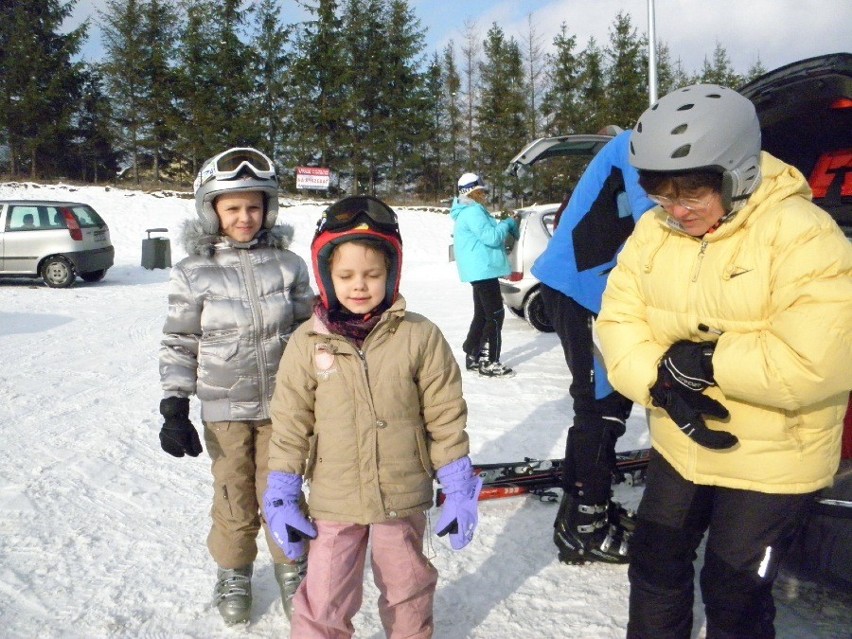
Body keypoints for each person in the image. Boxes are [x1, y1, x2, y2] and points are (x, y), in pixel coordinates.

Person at [596, 84, 852, 638]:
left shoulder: (804, 236)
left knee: (733, 591)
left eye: (691, 193)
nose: (676, 209)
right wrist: (660, 383)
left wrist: (708, 361)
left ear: (735, 173)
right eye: (661, 192)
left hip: (773, 455)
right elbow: (617, 320)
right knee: (655, 563)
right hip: (680, 438)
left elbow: (819, 359)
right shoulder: (653, 232)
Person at [262, 195, 480, 638]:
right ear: (325, 276)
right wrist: (283, 488)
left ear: (392, 273)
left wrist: (457, 481)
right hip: (334, 499)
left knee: (407, 590)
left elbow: (444, 414)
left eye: (372, 274)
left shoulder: (419, 336)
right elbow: (290, 423)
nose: (358, 285)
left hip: (400, 495)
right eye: (345, 275)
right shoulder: (308, 343)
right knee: (323, 599)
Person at [157, 147, 314, 625]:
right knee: (232, 495)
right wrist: (174, 403)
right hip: (224, 411)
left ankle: (293, 570)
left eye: (253, 206)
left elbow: (311, 332)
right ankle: (234, 571)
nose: (244, 217)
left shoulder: (288, 265)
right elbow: (180, 339)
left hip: (284, 409)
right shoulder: (193, 271)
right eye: (232, 207)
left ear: (268, 208)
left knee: (283, 493)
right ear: (212, 211)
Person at [530, 130, 655, 565]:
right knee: (601, 405)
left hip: (589, 288)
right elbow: (654, 223)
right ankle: (585, 523)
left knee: (606, 402)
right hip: (581, 288)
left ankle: (581, 509)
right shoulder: (639, 144)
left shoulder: (635, 145)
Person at [450, 172, 519, 377]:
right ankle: (490, 362)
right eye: (482, 191)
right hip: (484, 269)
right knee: (495, 315)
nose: (485, 195)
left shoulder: (468, 211)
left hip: (480, 270)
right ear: (473, 192)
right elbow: (491, 237)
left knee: (482, 314)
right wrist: (507, 223)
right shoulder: (473, 212)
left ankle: (473, 354)